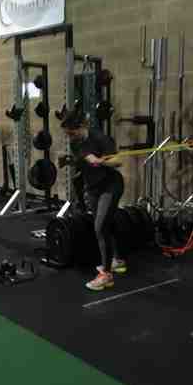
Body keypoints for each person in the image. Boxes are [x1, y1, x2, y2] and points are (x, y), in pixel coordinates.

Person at [61, 111, 125, 290]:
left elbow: (118, 161)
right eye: (67, 134)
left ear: (82, 126)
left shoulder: (101, 138)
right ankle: (117, 260)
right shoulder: (75, 142)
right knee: (105, 225)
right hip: (93, 188)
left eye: (72, 133)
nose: (70, 137)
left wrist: (100, 161)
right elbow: (83, 159)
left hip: (110, 186)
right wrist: (72, 162)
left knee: (100, 227)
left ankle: (106, 275)